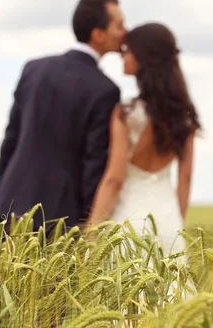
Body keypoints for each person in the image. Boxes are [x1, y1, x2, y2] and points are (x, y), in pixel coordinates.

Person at [0, 0, 126, 252]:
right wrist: (89, 224)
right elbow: (92, 164)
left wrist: (2, 198)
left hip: (10, 204)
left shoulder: (34, 69)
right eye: (119, 25)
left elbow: (10, 141)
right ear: (98, 34)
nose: (125, 31)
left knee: (0, 291)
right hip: (61, 216)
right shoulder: (105, 90)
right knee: (53, 293)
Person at [83, 22, 201, 259]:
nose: (122, 55)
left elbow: (114, 180)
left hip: (129, 223)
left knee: (124, 293)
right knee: (173, 293)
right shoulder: (184, 117)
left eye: (127, 50)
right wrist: (175, 223)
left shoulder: (125, 113)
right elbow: (185, 180)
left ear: (144, 57)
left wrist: (90, 234)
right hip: (169, 223)